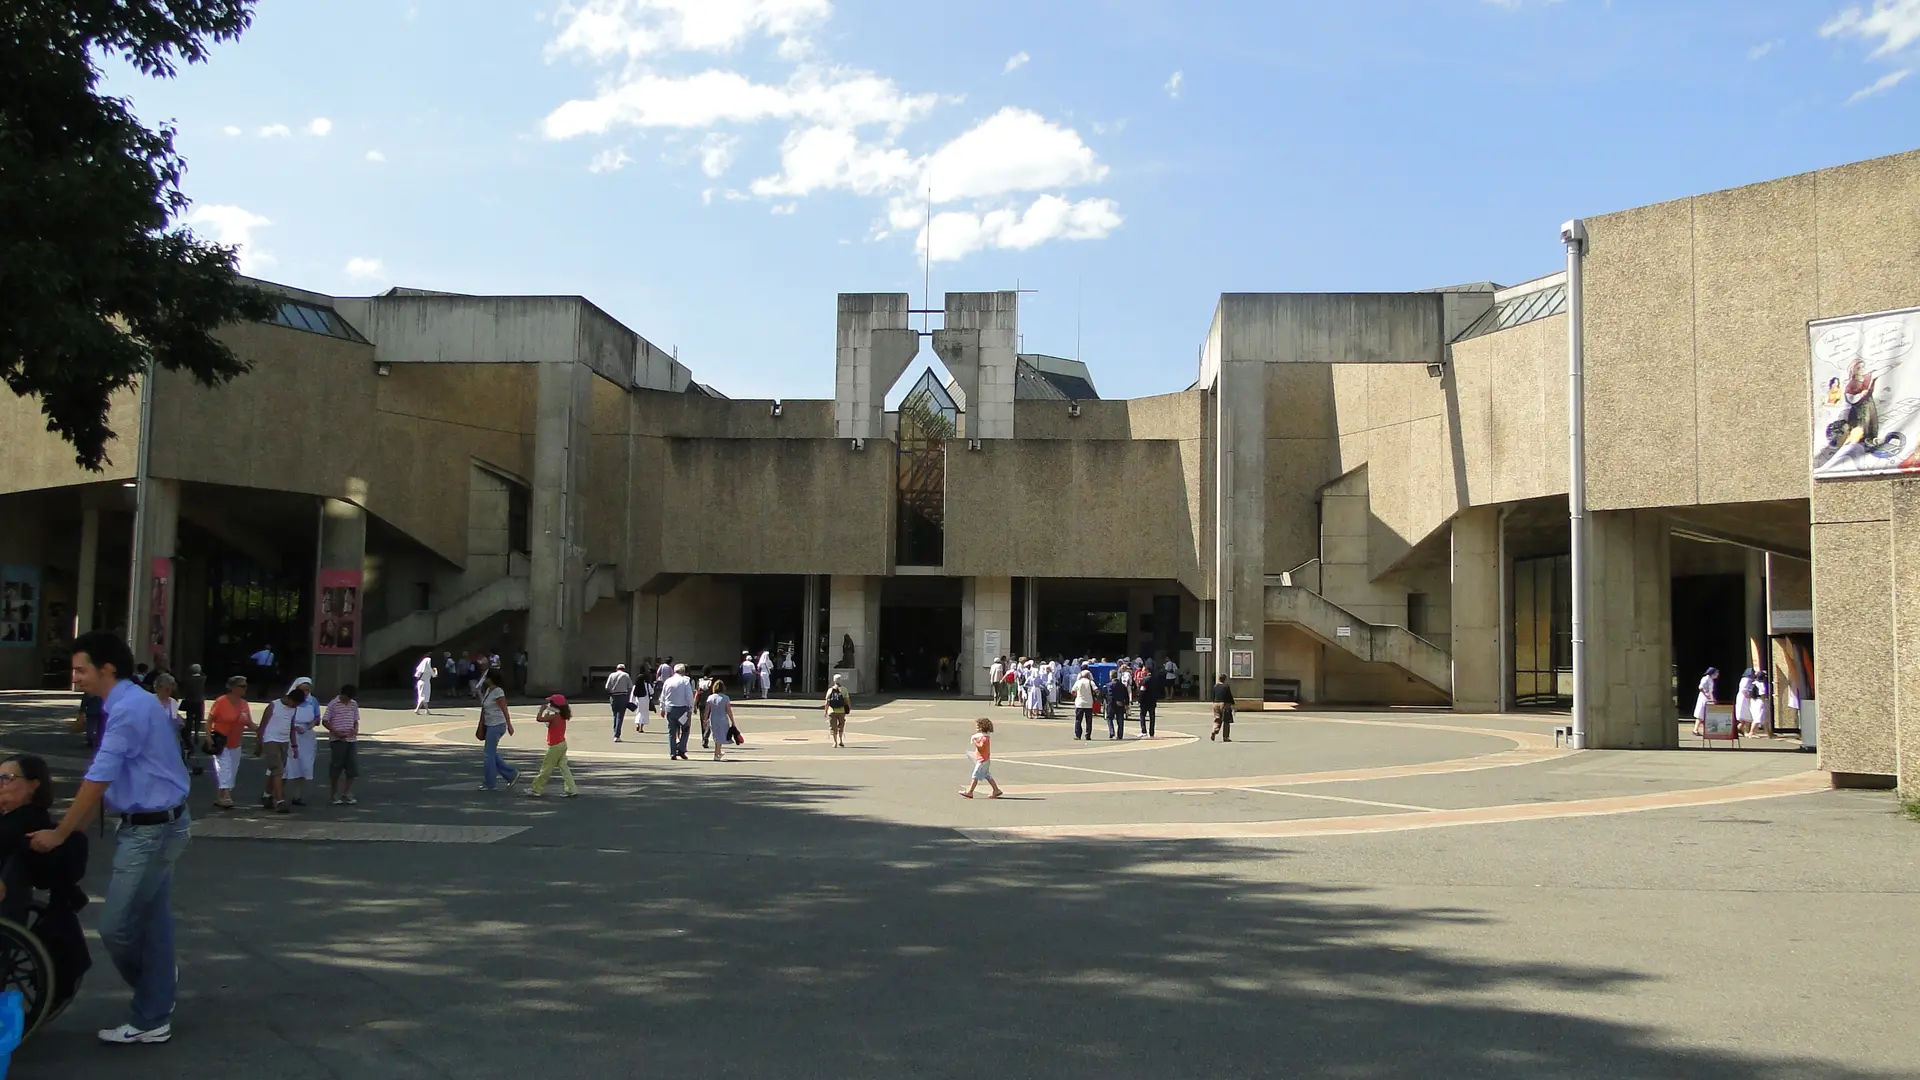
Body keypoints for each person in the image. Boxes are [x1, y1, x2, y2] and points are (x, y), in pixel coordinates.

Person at [31, 630, 192, 1045]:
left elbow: (98, 777)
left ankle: (155, 997)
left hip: (152, 830)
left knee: (116, 926)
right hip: (157, 824)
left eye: (81, 670)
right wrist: (73, 831)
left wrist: (61, 833)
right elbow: (112, 777)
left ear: (107, 669)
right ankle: (154, 1009)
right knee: (154, 924)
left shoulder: (129, 710)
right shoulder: (130, 702)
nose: (75, 678)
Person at [205, 677, 253, 810]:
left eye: (245, 686)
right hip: (221, 741)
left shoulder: (244, 703)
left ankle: (221, 796)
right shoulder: (221, 701)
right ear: (233, 688)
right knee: (224, 768)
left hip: (236, 742)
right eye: (242, 686)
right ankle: (226, 796)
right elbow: (209, 720)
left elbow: (249, 722)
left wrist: (262, 730)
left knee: (232, 770)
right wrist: (208, 736)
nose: (245, 688)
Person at [257, 682, 304, 813]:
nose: (294, 706)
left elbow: (291, 727)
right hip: (270, 739)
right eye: (293, 703)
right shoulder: (274, 706)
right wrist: (259, 743)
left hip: (284, 741)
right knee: (278, 770)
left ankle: (267, 795)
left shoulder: (293, 709)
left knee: (275, 771)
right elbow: (263, 725)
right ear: (289, 698)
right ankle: (279, 800)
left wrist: (294, 745)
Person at [527, 695, 578, 798]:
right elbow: (549, 724)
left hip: (555, 746)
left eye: (550, 703)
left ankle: (536, 789)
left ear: (554, 705)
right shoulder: (561, 715)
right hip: (562, 744)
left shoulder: (555, 716)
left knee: (546, 768)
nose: (548, 704)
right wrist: (547, 713)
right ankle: (571, 789)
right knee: (564, 768)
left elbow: (539, 719)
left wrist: (541, 710)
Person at [283, 677, 323, 807]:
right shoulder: (290, 701)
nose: (305, 692)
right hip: (290, 734)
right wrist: (294, 727)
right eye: (303, 690)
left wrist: (307, 727)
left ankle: (297, 795)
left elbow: (317, 718)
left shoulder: (313, 701)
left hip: (307, 736)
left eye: (308, 690)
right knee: (287, 765)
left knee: (304, 764)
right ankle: (278, 793)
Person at [479, 668, 518, 789]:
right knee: (491, 753)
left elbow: (504, 709)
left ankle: (489, 782)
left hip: (497, 724)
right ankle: (511, 774)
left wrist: (509, 725)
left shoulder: (498, 692)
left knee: (488, 755)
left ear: (491, 679)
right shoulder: (489, 690)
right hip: (490, 723)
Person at [323, 684, 361, 806]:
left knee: (352, 767)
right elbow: (325, 721)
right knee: (336, 766)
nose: (348, 700)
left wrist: (355, 730)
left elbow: (356, 720)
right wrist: (336, 732)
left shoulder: (353, 704)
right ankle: (334, 793)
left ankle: (347, 791)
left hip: (351, 739)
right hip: (337, 740)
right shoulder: (333, 704)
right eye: (347, 697)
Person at [958, 717, 1003, 799]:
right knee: (987, 775)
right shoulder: (985, 737)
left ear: (983, 728)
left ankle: (970, 791)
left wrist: (975, 742)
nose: (976, 728)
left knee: (975, 775)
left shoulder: (984, 738)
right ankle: (996, 790)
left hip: (982, 760)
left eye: (978, 727)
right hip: (984, 759)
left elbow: (981, 747)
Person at [660, 663, 695, 761]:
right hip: (682, 709)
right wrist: (690, 708)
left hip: (670, 708)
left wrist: (662, 708)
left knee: (672, 732)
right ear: (683, 671)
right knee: (685, 729)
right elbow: (689, 696)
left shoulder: (668, 681)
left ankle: (672, 752)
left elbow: (663, 696)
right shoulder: (685, 681)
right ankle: (681, 749)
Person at [705, 679, 735, 761]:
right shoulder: (726, 698)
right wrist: (733, 721)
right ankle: (716, 754)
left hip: (713, 718)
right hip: (723, 718)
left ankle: (718, 752)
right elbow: (729, 710)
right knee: (721, 735)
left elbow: (707, 710)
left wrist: (705, 720)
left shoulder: (710, 697)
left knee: (717, 735)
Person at [606, 663, 635, 742]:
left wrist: (612, 692)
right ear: (624, 669)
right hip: (622, 696)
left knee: (615, 715)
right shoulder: (626, 675)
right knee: (620, 716)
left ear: (617, 668)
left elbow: (607, 687)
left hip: (613, 697)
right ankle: (617, 735)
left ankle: (615, 731)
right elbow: (630, 687)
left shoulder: (612, 675)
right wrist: (628, 698)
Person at [824, 674, 851, 748]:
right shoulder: (844, 689)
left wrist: (826, 711)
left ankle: (835, 742)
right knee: (841, 726)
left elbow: (827, 702)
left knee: (833, 727)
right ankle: (841, 741)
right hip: (841, 711)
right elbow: (847, 700)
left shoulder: (830, 690)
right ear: (840, 680)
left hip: (832, 711)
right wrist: (849, 708)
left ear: (834, 681)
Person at [1072, 667, 1098, 741]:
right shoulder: (1091, 682)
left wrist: (1077, 695)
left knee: (1078, 720)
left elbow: (1073, 691)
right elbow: (1096, 690)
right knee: (1089, 721)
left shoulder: (1078, 682)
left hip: (1079, 703)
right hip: (1089, 704)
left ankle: (1078, 735)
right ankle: (1088, 735)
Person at [1692, 667, 1719, 738]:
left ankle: (1707, 731)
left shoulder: (1711, 680)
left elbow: (1710, 691)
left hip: (1709, 698)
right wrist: (1705, 695)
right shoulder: (1705, 678)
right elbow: (1700, 687)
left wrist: (1713, 698)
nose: (1717, 674)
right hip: (1704, 699)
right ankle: (1695, 729)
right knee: (1701, 715)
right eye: (1716, 673)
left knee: (1707, 715)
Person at [1105, 670, 1131, 740]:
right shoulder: (1122, 685)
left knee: (1109, 718)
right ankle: (1120, 735)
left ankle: (1112, 732)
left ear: (1110, 676)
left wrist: (1115, 701)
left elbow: (1109, 695)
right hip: (1121, 704)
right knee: (1120, 720)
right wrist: (1126, 704)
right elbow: (1126, 695)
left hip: (1112, 705)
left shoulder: (1109, 685)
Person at [1137, 666, 1161, 738]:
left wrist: (1139, 700)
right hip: (1153, 700)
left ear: (1147, 671)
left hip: (1145, 701)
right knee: (1152, 717)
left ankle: (1143, 731)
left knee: (1142, 716)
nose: (1142, 672)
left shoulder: (1145, 680)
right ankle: (1152, 732)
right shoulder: (1155, 679)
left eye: (1144, 670)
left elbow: (1142, 691)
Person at [1210, 674, 1236, 741]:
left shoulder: (1215, 686)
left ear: (1219, 679)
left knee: (1217, 719)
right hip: (1223, 704)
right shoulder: (1226, 686)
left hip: (1215, 703)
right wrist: (1232, 704)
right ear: (1225, 679)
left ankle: (1214, 730)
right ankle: (1225, 737)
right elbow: (1229, 696)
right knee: (1226, 721)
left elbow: (1213, 696)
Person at [1747, 669, 1772, 737]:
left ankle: (1769, 733)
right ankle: (1751, 732)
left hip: (1753, 701)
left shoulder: (1753, 683)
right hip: (1760, 701)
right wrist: (1767, 699)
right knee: (1759, 717)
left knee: (1759, 717)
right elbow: (1762, 694)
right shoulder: (1761, 684)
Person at [632, 663, 651, 735]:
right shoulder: (647, 685)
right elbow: (651, 691)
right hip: (645, 700)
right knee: (644, 713)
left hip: (638, 699)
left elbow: (633, 693)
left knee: (638, 712)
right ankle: (641, 727)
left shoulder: (636, 685)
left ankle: (637, 724)